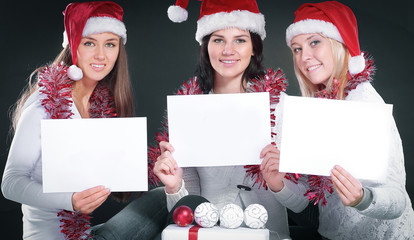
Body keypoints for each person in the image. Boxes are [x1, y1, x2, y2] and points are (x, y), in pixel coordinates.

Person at [1, 2, 167, 239]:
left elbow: (115, 172)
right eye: (89, 43)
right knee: (164, 203)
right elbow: (11, 182)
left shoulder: (99, 104)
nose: (101, 55)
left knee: (166, 199)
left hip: (85, 234)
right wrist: (70, 200)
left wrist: (156, 167)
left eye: (110, 44)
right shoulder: (45, 103)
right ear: (73, 46)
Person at [264, 1, 414, 239]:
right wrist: (279, 185)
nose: (304, 57)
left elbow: (398, 201)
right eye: (297, 48)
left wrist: (363, 198)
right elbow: (312, 206)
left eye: (315, 42)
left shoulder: (364, 103)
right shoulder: (316, 110)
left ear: (338, 44)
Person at [151, 0, 291, 239]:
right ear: (206, 47)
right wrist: (174, 186)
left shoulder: (279, 107)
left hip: (269, 232)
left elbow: (301, 204)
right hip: (209, 232)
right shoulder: (189, 110)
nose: (228, 50)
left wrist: (278, 184)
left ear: (254, 47)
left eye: (240, 40)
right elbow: (186, 206)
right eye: (218, 40)